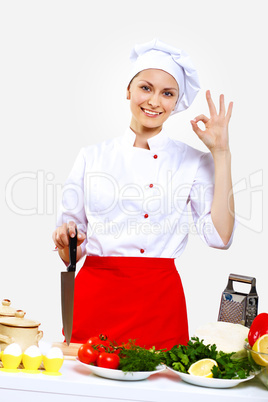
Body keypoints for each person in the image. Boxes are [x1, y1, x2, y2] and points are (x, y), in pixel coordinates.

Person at [52, 38, 235, 350]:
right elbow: (71, 253)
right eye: (146, 88)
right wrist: (67, 241)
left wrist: (221, 153)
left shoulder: (194, 161)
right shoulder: (92, 157)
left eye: (168, 93)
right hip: (96, 295)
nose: (154, 101)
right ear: (128, 90)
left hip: (159, 302)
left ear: (176, 103)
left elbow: (220, 238)